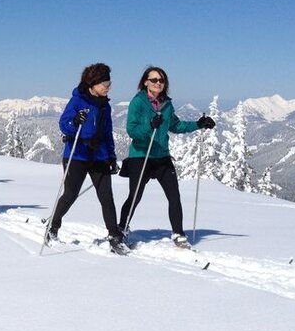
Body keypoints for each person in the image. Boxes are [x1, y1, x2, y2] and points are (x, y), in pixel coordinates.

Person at [117, 66, 215, 249]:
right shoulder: (137, 102)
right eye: (154, 80)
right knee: (135, 196)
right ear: (145, 82)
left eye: (161, 80)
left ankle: (178, 233)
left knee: (174, 196)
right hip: (141, 155)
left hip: (161, 156)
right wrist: (149, 125)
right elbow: (132, 130)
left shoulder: (167, 104)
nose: (158, 83)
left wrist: (199, 124)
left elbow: (175, 125)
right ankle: (121, 228)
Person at [45, 63, 125, 254]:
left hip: (99, 156)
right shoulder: (77, 100)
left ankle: (114, 236)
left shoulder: (105, 105)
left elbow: (107, 132)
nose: (108, 86)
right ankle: (53, 226)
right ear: (94, 83)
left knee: (106, 196)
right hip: (77, 154)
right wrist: (75, 122)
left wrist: (111, 156)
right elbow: (64, 125)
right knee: (70, 194)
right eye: (105, 82)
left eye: (109, 82)